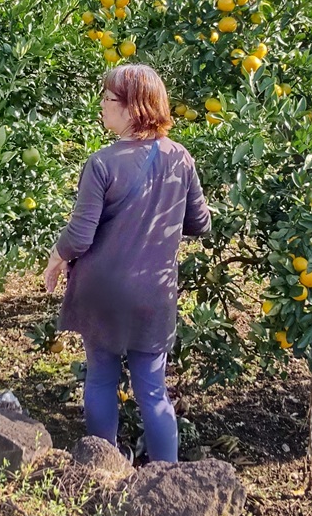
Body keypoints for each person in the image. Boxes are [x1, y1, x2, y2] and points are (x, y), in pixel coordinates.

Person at [43, 63, 211, 463]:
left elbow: (80, 237)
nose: (101, 105)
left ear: (133, 106)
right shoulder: (181, 158)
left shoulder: (102, 163)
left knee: (101, 376)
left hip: (102, 290)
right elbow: (200, 223)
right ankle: (167, 478)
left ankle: (104, 468)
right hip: (153, 292)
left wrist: (56, 258)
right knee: (152, 389)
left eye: (108, 99)